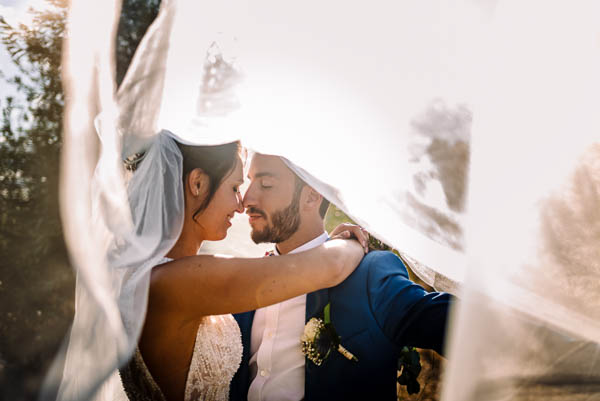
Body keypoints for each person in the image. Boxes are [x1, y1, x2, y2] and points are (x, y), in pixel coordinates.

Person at [114, 131, 369, 401]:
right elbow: (332, 265)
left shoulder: (149, 276)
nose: (241, 204)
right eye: (235, 188)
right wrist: (353, 241)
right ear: (197, 183)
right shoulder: (179, 282)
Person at [230, 153, 455, 401]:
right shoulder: (242, 282)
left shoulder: (369, 275)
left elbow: (454, 326)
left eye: (266, 185)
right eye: (248, 182)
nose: (246, 199)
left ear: (312, 195)